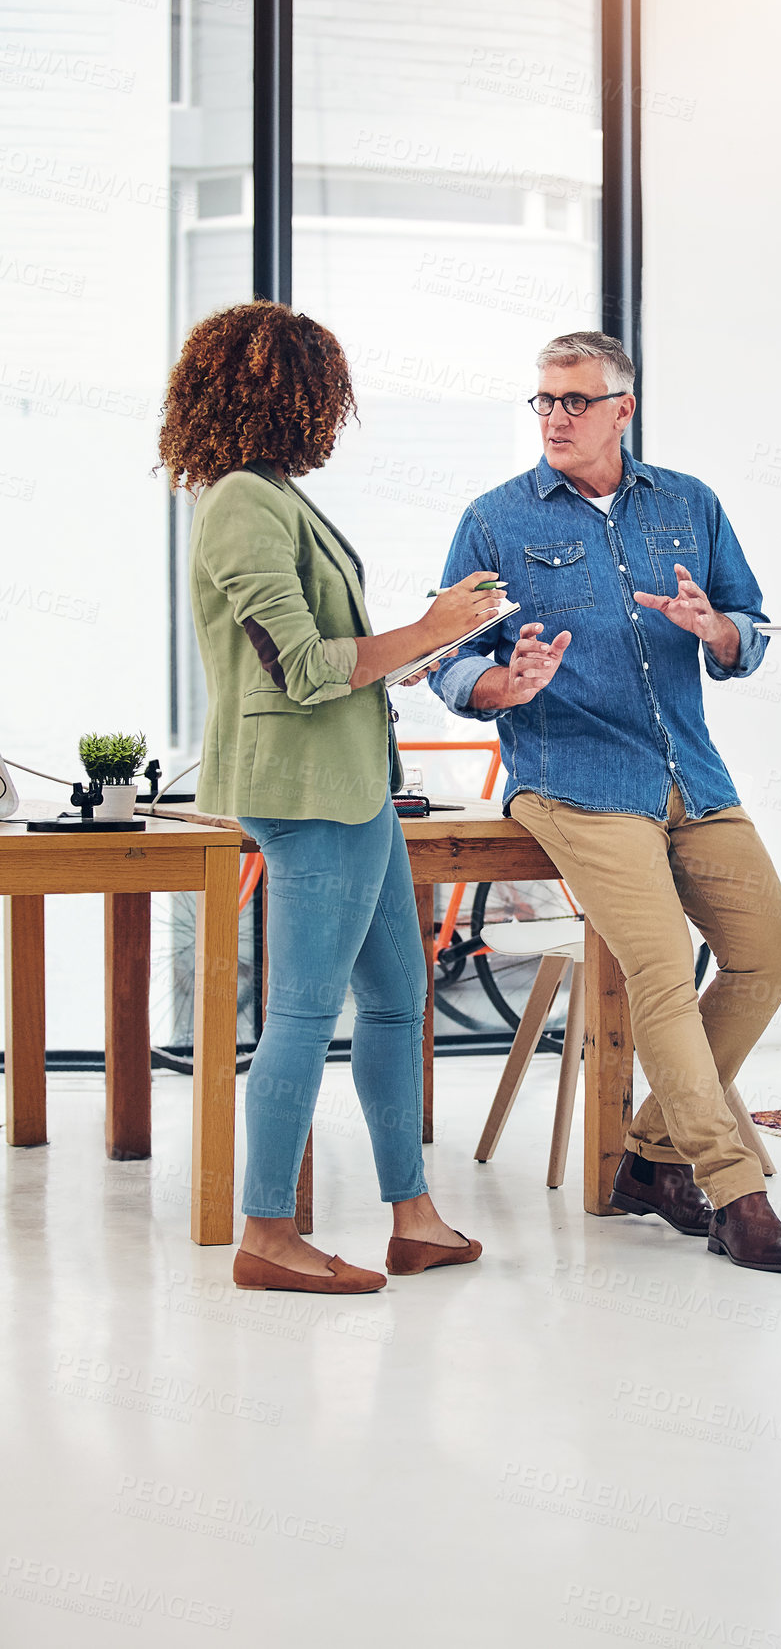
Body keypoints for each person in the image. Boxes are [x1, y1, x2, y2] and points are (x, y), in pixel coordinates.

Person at [429, 330, 781, 1273]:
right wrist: (500, 687)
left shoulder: (690, 504)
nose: (555, 417)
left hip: (692, 773)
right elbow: (446, 655)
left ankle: (647, 1154)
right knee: (663, 972)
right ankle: (736, 1192)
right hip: (575, 780)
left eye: (575, 401)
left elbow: (748, 626)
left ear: (622, 409)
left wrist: (714, 627)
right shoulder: (495, 520)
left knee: (772, 953)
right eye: (544, 401)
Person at [159, 300, 498, 1291]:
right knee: (303, 1015)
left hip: (352, 788)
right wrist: (432, 629)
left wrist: (435, 633)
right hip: (307, 792)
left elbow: (314, 668)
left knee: (397, 1001)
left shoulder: (269, 496)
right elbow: (303, 671)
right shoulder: (241, 506)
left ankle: (415, 1216)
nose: (334, 416)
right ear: (285, 396)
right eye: (325, 395)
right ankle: (265, 1234)